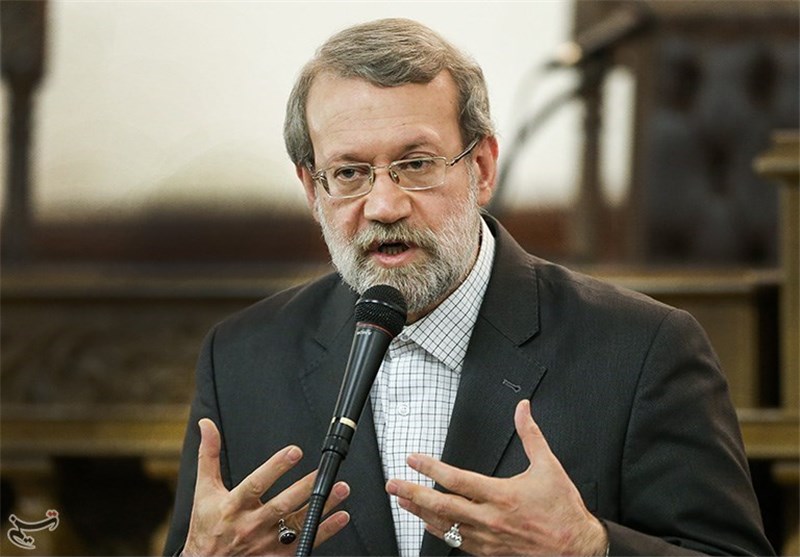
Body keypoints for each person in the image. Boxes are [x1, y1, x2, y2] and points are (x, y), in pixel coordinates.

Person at [164, 18, 774, 557]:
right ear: (311, 189)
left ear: (481, 168)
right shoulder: (241, 359)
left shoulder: (642, 349)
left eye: (416, 164)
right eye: (349, 173)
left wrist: (591, 547)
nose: (384, 205)